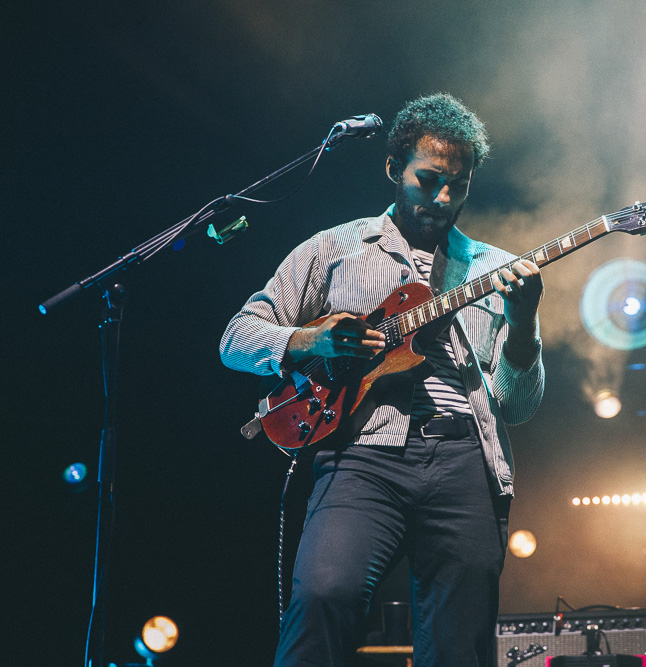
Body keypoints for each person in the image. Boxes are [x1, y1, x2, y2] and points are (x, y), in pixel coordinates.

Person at [219, 92, 545, 666]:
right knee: (324, 594)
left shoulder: (494, 268)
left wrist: (523, 325)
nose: (444, 199)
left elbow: (516, 405)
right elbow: (236, 338)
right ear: (393, 169)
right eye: (429, 180)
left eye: (459, 185)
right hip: (362, 456)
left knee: (458, 643)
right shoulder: (334, 249)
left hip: (466, 458)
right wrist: (309, 340)